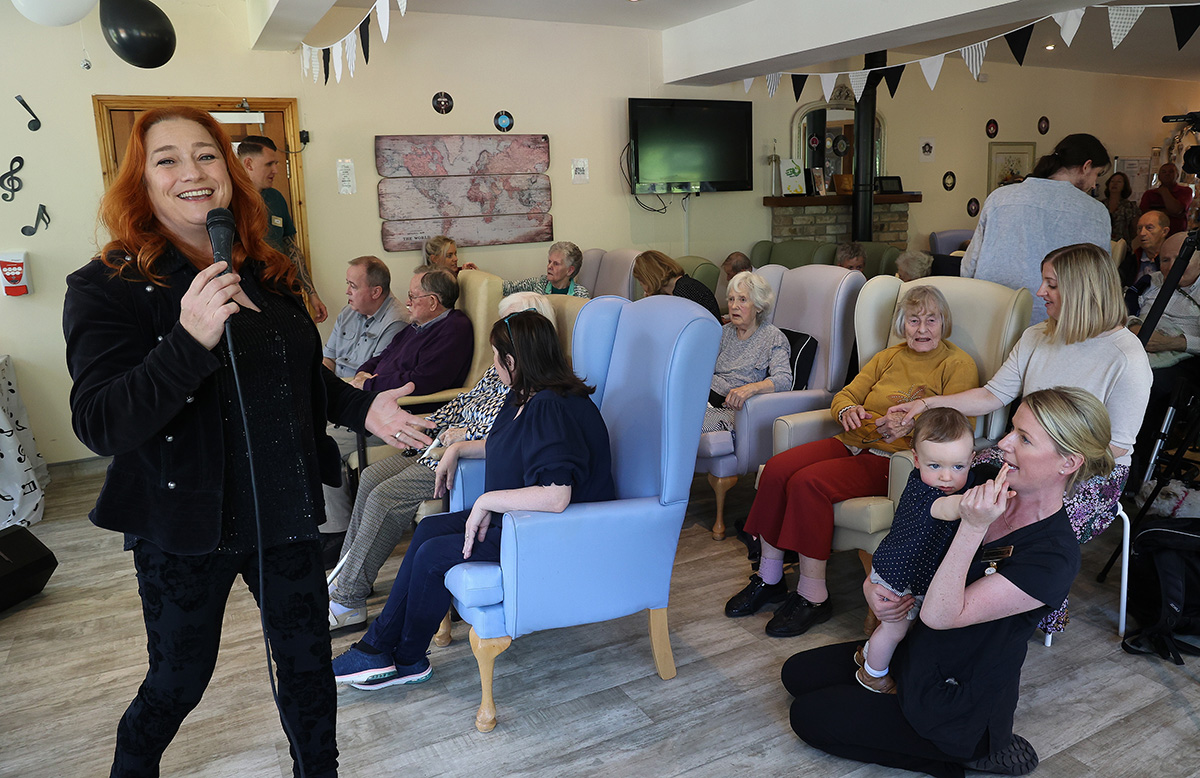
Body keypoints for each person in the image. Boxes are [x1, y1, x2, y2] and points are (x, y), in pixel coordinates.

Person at [62, 106, 434, 778]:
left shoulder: (267, 268)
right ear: (140, 184)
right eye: (167, 159)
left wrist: (364, 408)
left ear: (229, 173)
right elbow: (99, 422)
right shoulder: (107, 286)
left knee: (307, 667)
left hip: (283, 510)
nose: (192, 172)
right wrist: (187, 338)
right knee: (178, 680)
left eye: (206, 154)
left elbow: (302, 382)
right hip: (183, 525)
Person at [785, 387, 1111, 778]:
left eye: (1024, 438)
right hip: (915, 648)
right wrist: (874, 585)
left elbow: (942, 615)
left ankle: (966, 755)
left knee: (808, 717)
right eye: (1012, 429)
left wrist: (973, 527)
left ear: (1068, 462)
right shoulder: (983, 479)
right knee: (797, 674)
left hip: (955, 696)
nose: (1004, 443)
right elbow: (914, 519)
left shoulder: (1053, 556)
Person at [331, 310, 616, 688]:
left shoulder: (553, 406)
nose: (493, 365)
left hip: (554, 530)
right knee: (430, 529)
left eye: (496, 357)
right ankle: (382, 649)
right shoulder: (524, 397)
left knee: (435, 554)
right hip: (522, 522)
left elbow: (556, 496)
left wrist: (486, 502)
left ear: (512, 362)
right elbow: (513, 446)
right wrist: (461, 448)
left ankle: (403, 656)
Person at [891, 243, 1151, 632]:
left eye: (1051, 284)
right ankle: (907, 582)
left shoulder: (1126, 358)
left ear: (1082, 290)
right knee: (945, 479)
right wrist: (928, 405)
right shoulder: (1037, 336)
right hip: (1025, 452)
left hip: (1089, 471)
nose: (1040, 292)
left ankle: (1020, 607)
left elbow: (1114, 447)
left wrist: (1046, 469)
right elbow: (993, 394)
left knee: (1035, 512)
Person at [724, 285, 979, 637]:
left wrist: (912, 424)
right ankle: (769, 579)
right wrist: (847, 410)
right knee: (778, 468)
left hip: (895, 459)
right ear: (902, 324)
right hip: (852, 441)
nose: (922, 329)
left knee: (807, 483)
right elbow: (846, 393)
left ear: (943, 323)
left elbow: (957, 430)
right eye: (914, 320)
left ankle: (813, 596)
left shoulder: (957, 364)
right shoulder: (888, 357)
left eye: (931, 320)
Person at [328, 292, 554, 632]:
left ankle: (348, 599)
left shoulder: (529, 386)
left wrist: (458, 438)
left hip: (462, 463)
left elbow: (504, 436)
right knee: (373, 476)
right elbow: (466, 401)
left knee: (385, 497)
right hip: (438, 444)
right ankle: (349, 578)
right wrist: (431, 423)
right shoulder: (499, 370)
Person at [856, 407, 985, 694]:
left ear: (972, 460)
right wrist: (983, 500)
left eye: (958, 467)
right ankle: (872, 674)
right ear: (916, 460)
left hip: (914, 573)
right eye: (935, 466)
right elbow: (953, 509)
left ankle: (867, 654)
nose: (947, 478)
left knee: (902, 628)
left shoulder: (951, 483)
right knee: (895, 629)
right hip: (898, 574)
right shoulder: (925, 493)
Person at [960, 133, 1111, 324]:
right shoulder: (1095, 212)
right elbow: (1100, 281)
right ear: (1086, 166)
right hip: (1056, 325)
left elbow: (968, 267)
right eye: (1097, 174)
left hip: (992, 319)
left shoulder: (999, 198)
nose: (1094, 184)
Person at [1129, 232, 1200, 480]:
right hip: (1137, 345)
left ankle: (1134, 466)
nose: (1171, 267)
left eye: (1179, 260)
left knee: (1149, 385)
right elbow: (1124, 309)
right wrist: (1133, 326)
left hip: (1184, 357)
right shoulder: (1150, 283)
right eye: (1165, 260)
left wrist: (1174, 343)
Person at [237, 135, 328, 322]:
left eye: (277, 163)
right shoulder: (229, 199)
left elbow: (291, 247)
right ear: (248, 163)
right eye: (269, 164)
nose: (276, 170)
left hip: (281, 288)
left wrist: (311, 294)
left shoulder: (276, 198)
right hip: (246, 296)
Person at [351, 266, 473, 402]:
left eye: (412, 296)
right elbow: (384, 355)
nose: (407, 302)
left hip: (404, 405)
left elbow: (423, 380)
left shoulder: (453, 329)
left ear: (432, 302)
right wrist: (363, 373)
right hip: (378, 394)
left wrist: (369, 384)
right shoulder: (418, 324)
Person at [703, 271, 792, 434]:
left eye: (742, 299)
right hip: (703, 400)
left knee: (684, 428)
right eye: (731, 299)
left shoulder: (773, 337)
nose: (734, 306)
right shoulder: (723, 332)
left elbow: (784, 380)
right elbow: (703, 367)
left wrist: (752, 388)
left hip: (730, 411)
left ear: (759, 305)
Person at [321, 256, 407, 379]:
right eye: (348, 284)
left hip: (363, 390)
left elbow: (376, 373)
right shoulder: (347, 312)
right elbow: (329, 359)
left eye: (353, 286)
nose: (347, 291)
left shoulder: (397, 322)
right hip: (337, 387)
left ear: (375, 292)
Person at [634, 249, 721, 320]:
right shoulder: (678, 287)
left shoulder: (684, 290)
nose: (642, 287)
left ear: (649, 280)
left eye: (641, 282)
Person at [1120, 210, 1171, 313]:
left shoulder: (1172, 261)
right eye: (1139, 228)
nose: (1142, 233)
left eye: (1149, 228)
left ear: (1164, 231)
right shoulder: (1132, 259)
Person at [502, 241, 590, 297]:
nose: (549, 267)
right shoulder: (538, 284)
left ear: (570, 270)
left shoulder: (581, 295)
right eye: (549, 262)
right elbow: (507, 287)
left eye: (556, 264)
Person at [1140, 162, 1193, 235]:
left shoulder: (1185, 191)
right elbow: (1144, 214)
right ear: (1159, 176)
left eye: (1171, 172)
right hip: (1154, 236)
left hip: (1177, 235)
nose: (1167, 174)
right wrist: (1171, 213)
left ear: (1177, 175)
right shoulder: (1149, 194)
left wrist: (1164, 192)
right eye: (1164, 172)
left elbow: (1176, 210)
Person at [1104, 171, 1140, 246]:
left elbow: (1135, 229)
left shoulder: (1130, 206)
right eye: (1112, 181)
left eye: (1119, 182)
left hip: (1123, 247)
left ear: (1124, 186)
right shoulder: (1101, 205)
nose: (1115, 184)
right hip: (1103, 245)